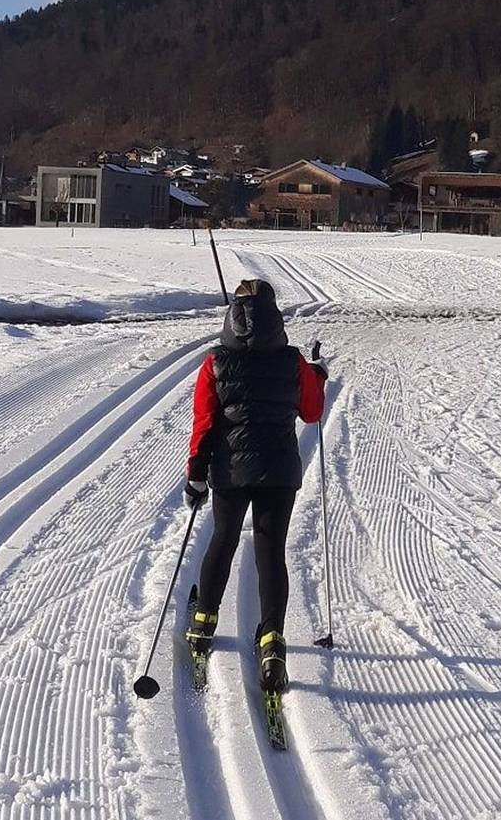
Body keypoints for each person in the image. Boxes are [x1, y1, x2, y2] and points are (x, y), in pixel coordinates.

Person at [182, 279, 327, 692]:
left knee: (223, 540)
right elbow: (312, 413)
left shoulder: (216, 362)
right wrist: (317, 376)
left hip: (231, 471)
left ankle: (204, 624)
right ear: (274, 313)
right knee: (270, 553)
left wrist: (196, 472)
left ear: (233, 315)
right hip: (279, 472)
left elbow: (205, 423)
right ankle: (272, 645)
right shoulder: (292, 361)